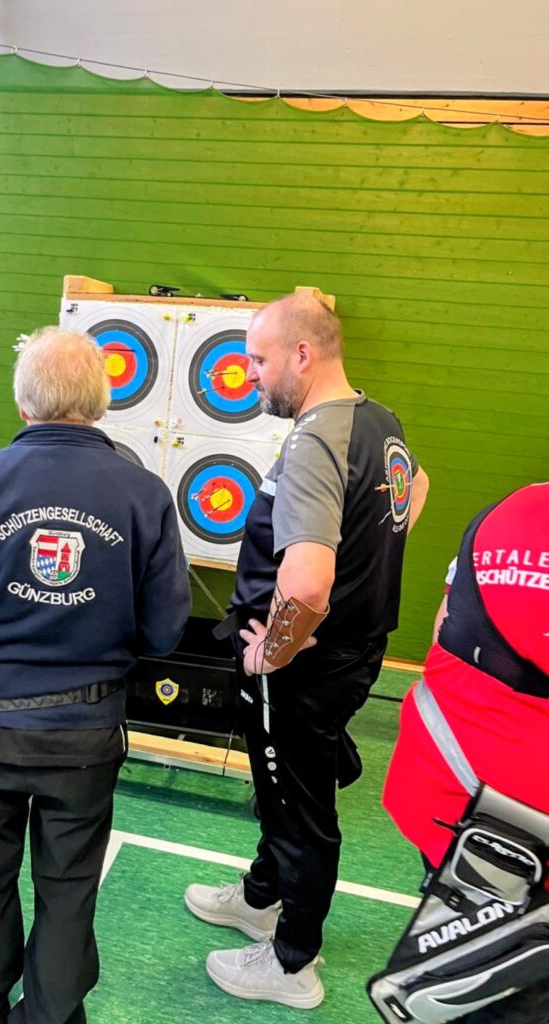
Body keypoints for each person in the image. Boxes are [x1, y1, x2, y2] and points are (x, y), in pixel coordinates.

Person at [0, 326, 191, 1024]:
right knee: (68, 892)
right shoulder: (144, 493)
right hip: (86, 737)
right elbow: (164, 633)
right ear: (102, 401)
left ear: (22, 403)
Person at [184, 291, 429, 1008]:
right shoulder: (376, 418)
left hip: (304, 666)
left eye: (258, 360)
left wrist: (275, 651)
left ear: (302, 354)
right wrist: (364, 565)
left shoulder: (318, 438)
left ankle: (292, 962)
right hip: (346, 652)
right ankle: (261, 897)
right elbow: (415, 490)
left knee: (298, 805)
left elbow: (308, 581)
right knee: (281, 786)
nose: (249, 374)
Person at [382, 482, 549, 1023]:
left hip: (452, 794)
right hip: (513, 821)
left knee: (471, 959)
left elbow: (445, 624)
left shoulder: (512, 509)